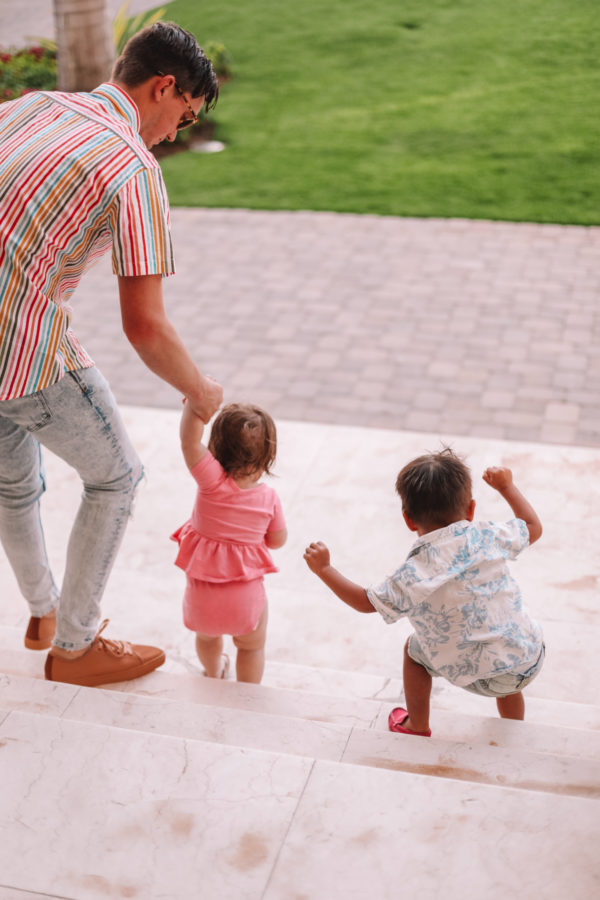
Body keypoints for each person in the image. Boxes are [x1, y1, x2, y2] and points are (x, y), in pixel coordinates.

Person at [0, 22, 223, 687]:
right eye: (182, 116)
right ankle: (74, 646)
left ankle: (44, 614)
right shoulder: (132, 166)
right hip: (24, 351)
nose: (174, 133)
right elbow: (146, 328)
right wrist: (201, 391)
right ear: (163, 88)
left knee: (14, 485)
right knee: (118, 478)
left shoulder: (34, 105)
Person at [304, 448, 544, 736]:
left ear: (408, 519)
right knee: (502, 657)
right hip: (528, 658)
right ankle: (512, 730)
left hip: (481, 676)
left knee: (413, 652)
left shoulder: (414, 572)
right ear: (470, 509)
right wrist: (506, 486)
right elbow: (533, 526)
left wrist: (325, 569)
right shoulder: (487, 534)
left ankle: (417, 724)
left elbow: (366, 602)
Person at [171, 401, 287, 683]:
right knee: (251, 647)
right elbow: (277, 541)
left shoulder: (210, 483)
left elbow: (188, 441)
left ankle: (214, 673)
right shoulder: (269, 499)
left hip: (202, 600)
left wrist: (194, 406)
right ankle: (247, 692)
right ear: (267, 458)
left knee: (208, 640)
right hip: (245, 602)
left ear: (215, 450)